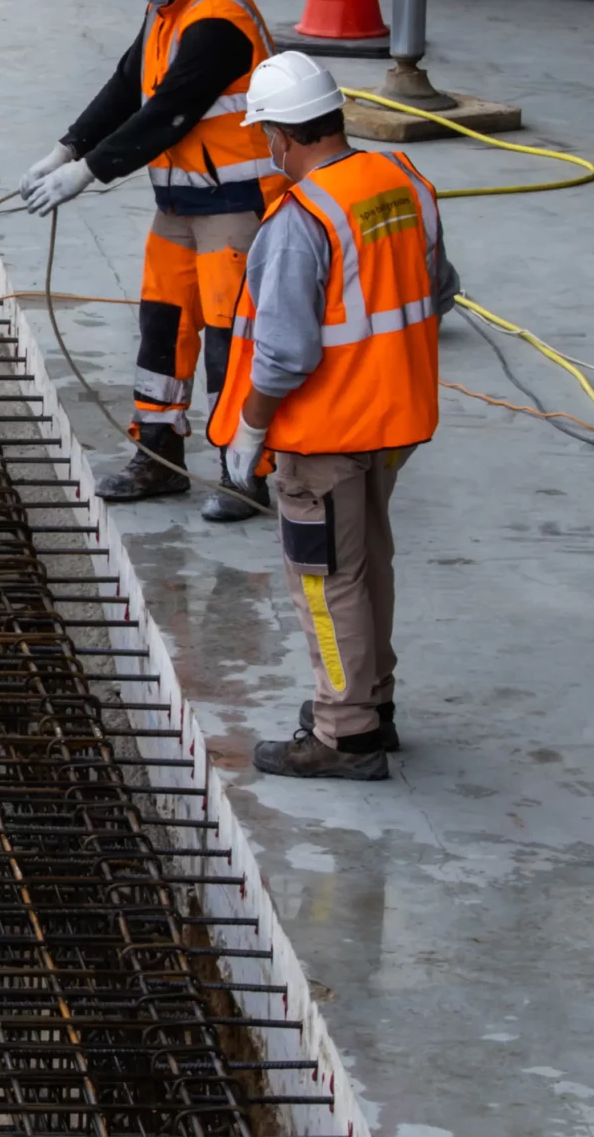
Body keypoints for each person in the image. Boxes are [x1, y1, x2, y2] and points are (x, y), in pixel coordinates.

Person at [209, 52, 457, 781]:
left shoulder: (300, 220)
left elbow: (282, 355)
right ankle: (371, 703)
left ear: (284, 135)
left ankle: (343, 732)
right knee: (367, 560)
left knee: (323, 579)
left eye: (267, 135)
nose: (266, 148)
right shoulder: (402, 181)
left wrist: (249, 429)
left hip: (325, 435)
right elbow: (437, 289)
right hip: (393, 422)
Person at [20, 0, 279, 518]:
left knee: (227, 337)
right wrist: (67, 147)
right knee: (162, 325)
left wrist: (89, 173)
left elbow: (170, 112)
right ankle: (158, 456)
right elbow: (128, 82)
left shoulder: (217, 18)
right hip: (182, 203)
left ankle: (240, 472)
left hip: (235, 204)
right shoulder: (169, 7)